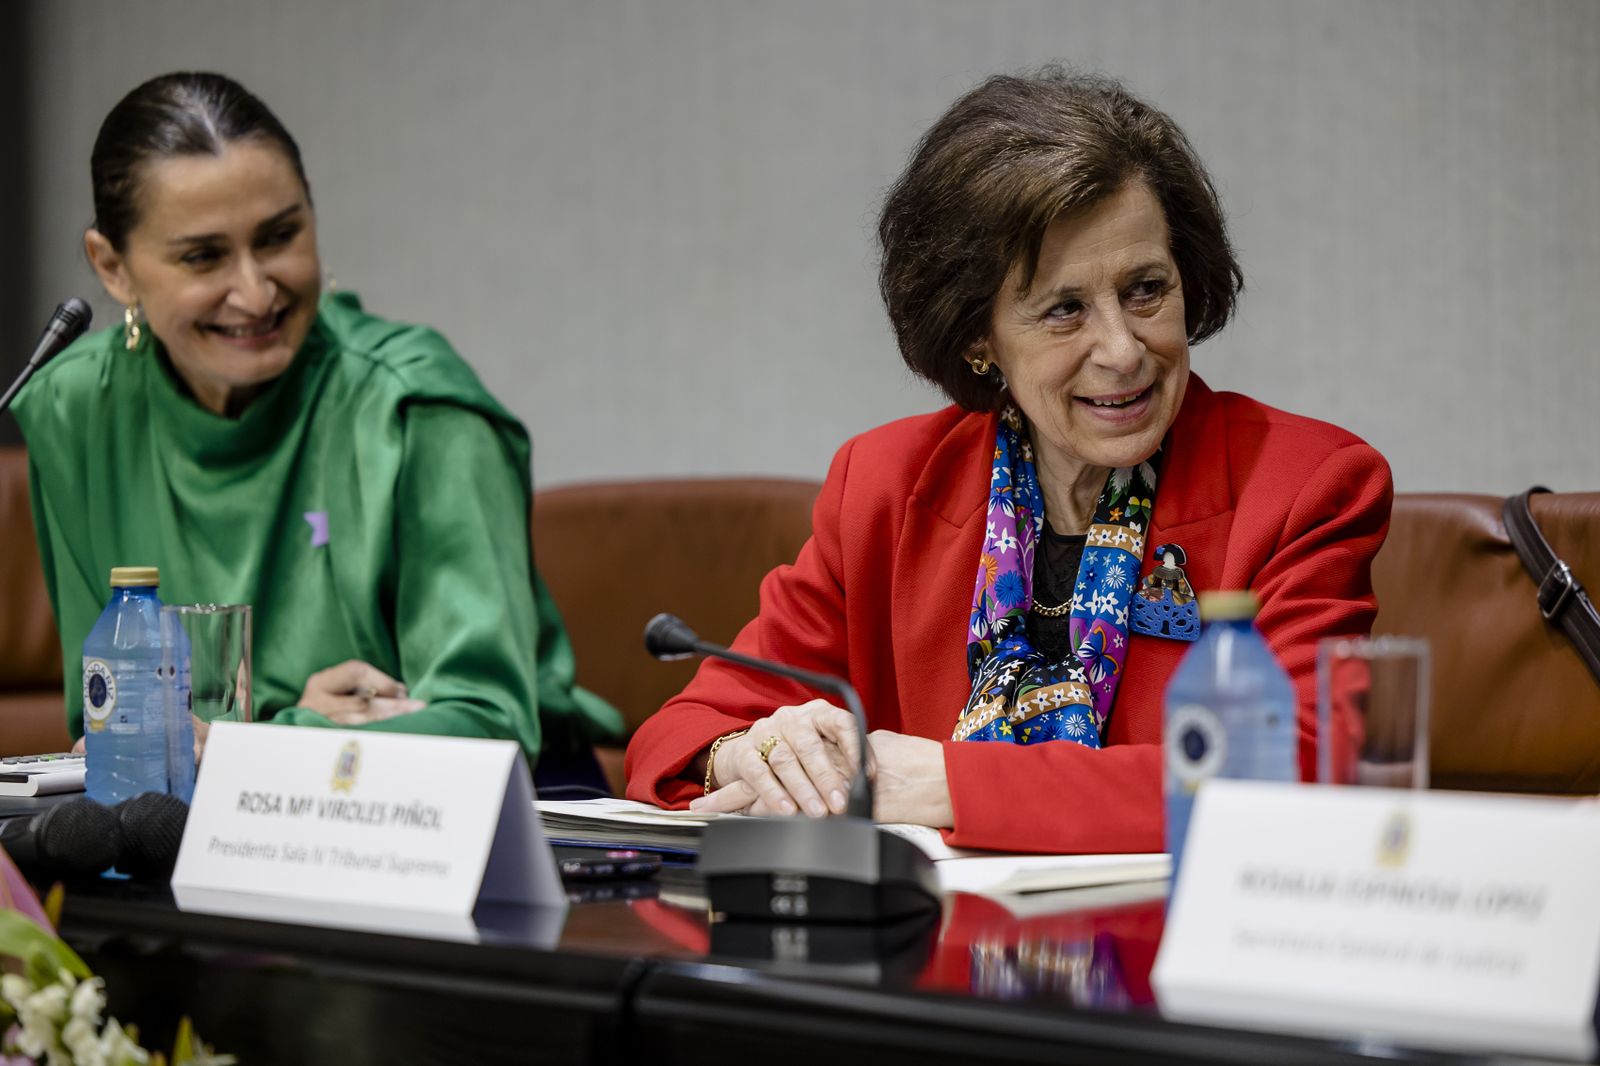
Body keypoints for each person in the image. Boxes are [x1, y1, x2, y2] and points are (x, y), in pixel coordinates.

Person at [626, 69, 1392, 852]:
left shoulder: (1304, 487)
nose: (1123, 351)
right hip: (932, 957)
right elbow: (682, 733)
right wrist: (752, 755)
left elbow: (1306, 769)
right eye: (1065, 309)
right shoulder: (885, 487)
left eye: (1146, 290)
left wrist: (949, 783)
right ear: (978, 338)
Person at [12, 72, 620, 786]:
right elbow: (105, 718)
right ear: (113, 269)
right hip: (183, 812)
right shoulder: (72, 407)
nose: (256, 291)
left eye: (279, 237)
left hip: (481, 817)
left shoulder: (414, 404)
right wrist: (281, 735)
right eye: (203, 256)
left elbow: (486, 726)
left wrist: (258, 747)